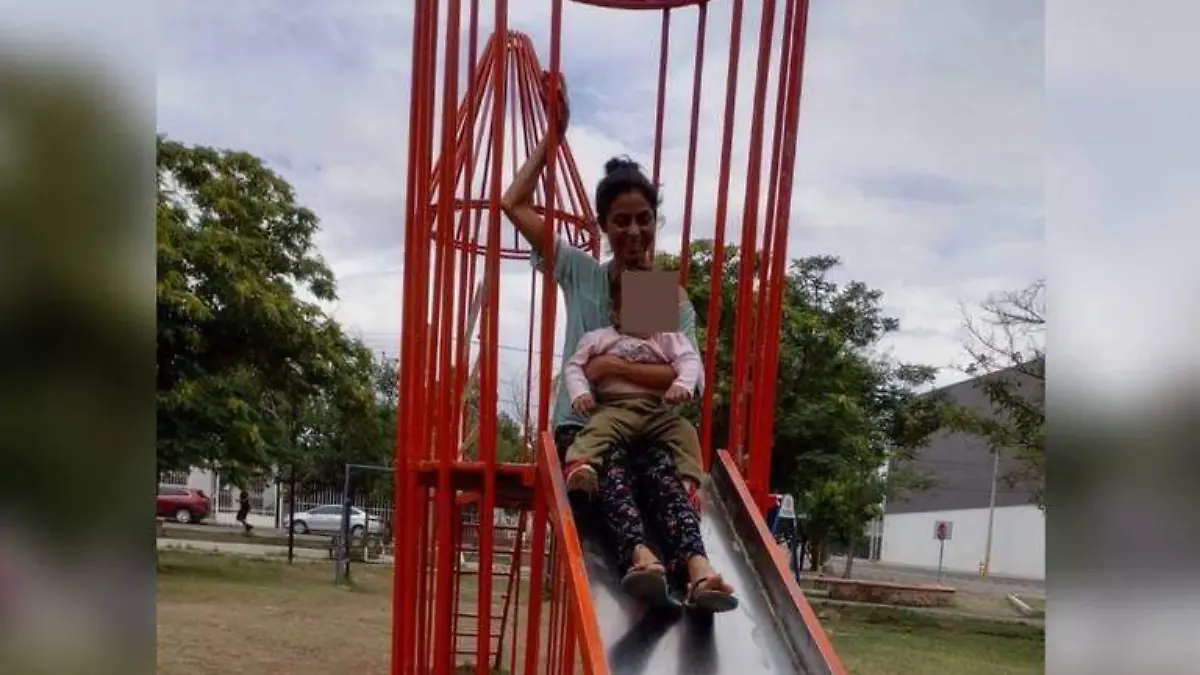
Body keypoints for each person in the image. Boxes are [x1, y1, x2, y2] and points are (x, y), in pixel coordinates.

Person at [502, 72, 735, 611]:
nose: (634, 232)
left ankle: (698, 570)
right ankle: (641, 557)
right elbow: (513, 205)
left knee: (660, 475)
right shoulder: (583, 274)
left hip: (643, 426)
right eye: (622, 221)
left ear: (656, 222)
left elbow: (669, 376)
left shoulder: (654, 292)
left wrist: (609, 368)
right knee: (611, 473)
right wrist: (553, 138)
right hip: (584, 427)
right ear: (604, 226)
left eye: (644, 220)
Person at [560, 270, 705, 497]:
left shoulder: (667, 338)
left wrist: (682, 385)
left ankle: (689, 482)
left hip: (655, 411)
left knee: (685, 432)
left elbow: (689, 359)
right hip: (615, 408)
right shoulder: (600, 338)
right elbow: (574, 366)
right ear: (617, 315)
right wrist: (580, 393)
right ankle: (581, 467)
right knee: (596, 430)